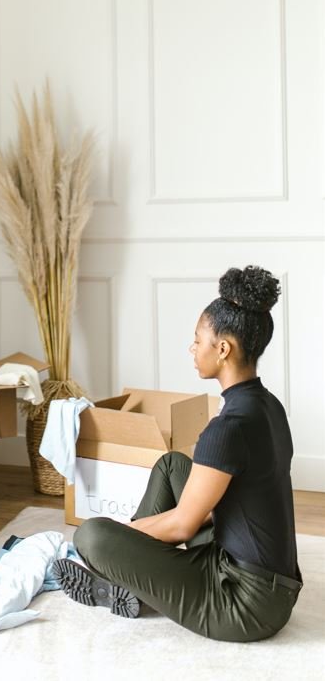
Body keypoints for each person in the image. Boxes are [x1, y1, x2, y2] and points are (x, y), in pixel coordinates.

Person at [53, 265, 303, 642]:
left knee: (90, 536)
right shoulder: (268, 406)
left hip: (245, 606)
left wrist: (122, 535)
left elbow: (183, 526)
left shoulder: (227, 428)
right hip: (264, 579)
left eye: (197, 339)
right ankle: (128, 573)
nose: (192, 348)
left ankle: (118, 575)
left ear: (223, 349)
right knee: (172, 465)